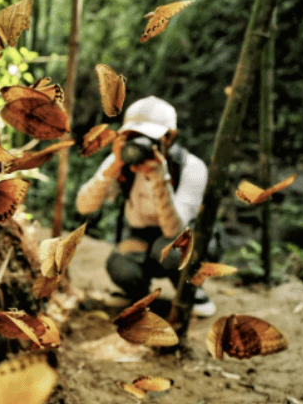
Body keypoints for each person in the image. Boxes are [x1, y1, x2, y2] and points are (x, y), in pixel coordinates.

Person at [76, 96, 216, 317]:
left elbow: (174, 231)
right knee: (120, 264)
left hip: (184, 239)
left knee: (168, 251)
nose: (139, 144)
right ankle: (137, 293)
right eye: (133, 136)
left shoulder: (192, 168)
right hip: (141, 237)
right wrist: (113, 167)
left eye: (149, 138)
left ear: (170, 137)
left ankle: (191, 291)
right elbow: (84, 206)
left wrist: (160, 179)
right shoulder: (121, 161)